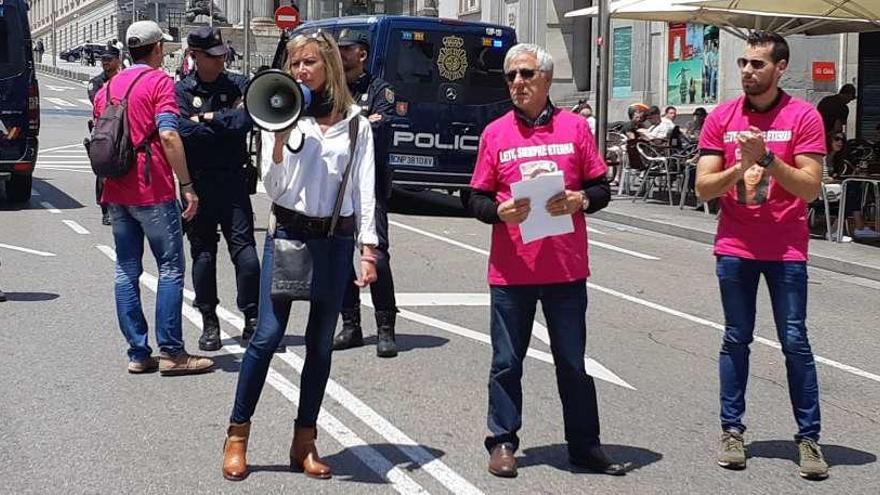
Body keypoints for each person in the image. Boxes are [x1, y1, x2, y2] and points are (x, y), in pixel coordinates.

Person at [222, 31, 379, 482]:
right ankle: (237, 435)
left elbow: (364, 190)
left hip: (334, 240)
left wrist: (369, 249)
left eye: (309, 63)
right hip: (288, 233)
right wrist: (277, 139)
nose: (301, 72)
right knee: (267, 336)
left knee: (319, 344)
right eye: (295, 65)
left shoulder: (356, 123)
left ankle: (304, 441)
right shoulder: (286, 116)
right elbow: (272, 190)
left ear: (329, 64)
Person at [467, 42, 623, 479]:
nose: (517, 82)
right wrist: (496, 211)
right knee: (505, 363)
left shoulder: (575, 129)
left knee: (573, 363)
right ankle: (502, 442)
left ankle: (585, 446)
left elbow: (601, 190)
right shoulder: (495, 133)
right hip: (511, 270)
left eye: (526, 74)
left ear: (547, 79)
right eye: (512, 76)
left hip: (565, 270)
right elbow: (475, 198)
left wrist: (580, 200)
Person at [695, 31, 829, 480]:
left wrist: (768, 159)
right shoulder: (722, 117)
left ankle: (809, 439)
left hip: (787, 248)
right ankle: (731, 431)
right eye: (744, 64)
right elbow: (702, 187)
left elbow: (810, 188)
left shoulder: (804, 116)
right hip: (735, 247)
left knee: (795, 341)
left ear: (780, 67)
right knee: (736, 338)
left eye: (757, 64)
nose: (748, 72)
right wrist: (740, 164)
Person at [93, 21, 214, 376]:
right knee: (171, 268)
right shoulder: (160, 82)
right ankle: (173, 352)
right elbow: (169, 135)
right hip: (152, 188)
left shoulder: (109, 85)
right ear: (158, 48)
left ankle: (137, 352)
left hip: (116, 188)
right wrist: (187, 184)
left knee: (126, 269)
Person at [175, 27, 261, 352]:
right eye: (213, 56)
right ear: (194, 56)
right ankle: (209, 321)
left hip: (234, 182)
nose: (221, 59)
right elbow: (182, 130)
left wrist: (207, 119)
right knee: (204, 255)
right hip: (198, 186)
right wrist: (222, 123)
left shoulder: (238, 84)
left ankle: (251, 317)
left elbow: (245, 122)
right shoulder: (181, 90)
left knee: (247, 255)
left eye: (222, 53)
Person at [331, 28, 400, 357]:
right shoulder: (333, 89)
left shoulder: (380, 89)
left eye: (348, 49)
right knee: (342, 256)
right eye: (339, 49)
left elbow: (381, 127)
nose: (342, 54)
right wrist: (358, 120)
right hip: (337, 186)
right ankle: (351, 325)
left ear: (362, 54)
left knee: (379, 257)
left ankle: (386, 327)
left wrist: (347, 123)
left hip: (369, 184)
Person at [87, 43, 124, 226]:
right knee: (103, 171)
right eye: (103, 60)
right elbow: (98, 102)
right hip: (102, 130)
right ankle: (105, 209)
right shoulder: (96, 83)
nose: (105, 63)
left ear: (118, 60)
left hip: (122, 130)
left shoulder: (126, 80)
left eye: (109, 60)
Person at [824, 133, 880, 240]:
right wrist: (833, 179)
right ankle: (838, 230)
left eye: (843, 140)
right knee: (850, 191)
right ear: (829, 140)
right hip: (821, 189)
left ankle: (851, 228)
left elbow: (837, 175)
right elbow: (819, 176)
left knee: (853, 188)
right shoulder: (822, 156)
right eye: (837, 139)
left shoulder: (838, 159)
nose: (840, 142)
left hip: (834, 188)